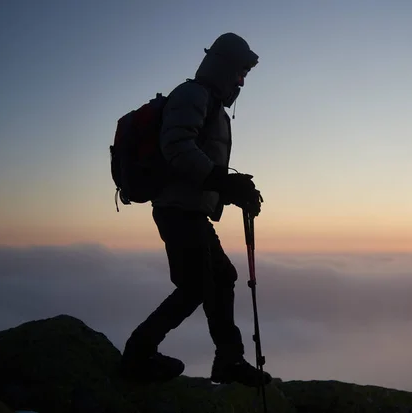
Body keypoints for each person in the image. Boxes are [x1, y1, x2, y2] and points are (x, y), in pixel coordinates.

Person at [119, 32, 272, 387]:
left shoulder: (210, 104)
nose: (242, 80)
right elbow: (177, 148)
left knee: (221, 278)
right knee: (194, 286)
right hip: (176, 209)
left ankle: (228, 361)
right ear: (222, 66)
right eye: (239, 71)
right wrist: (225, 182)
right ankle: (138, 355)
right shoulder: (192, 95)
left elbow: (198, 163)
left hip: (189, 209)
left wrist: (231, 189)